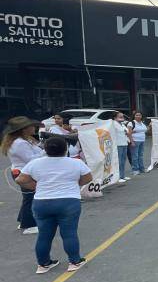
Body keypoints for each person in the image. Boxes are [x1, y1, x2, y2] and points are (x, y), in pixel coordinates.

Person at [15, 136, 92, 273]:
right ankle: (74, 261)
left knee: (44, 234)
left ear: (45, 149)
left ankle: (43, 264)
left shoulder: (36, 163)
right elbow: (88, 177)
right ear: (66, 148)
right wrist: (75, 184)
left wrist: (35, 186)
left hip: (42, 202)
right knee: (69, 233)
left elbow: (21, 179)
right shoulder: (75, 162)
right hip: (68, 201)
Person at [1, 116, 45, 235]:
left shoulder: (23, 140)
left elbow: (35, 153)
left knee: (28, 198)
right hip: (24, 172)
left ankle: (23, 220)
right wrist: (45, 152)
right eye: (31, 126)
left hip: (23, 171)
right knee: (31, 198)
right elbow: (31, 159)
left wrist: (42, 148)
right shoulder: (19, 143)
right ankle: (29, 225)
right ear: (24, 129)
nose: (33, 127)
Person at [111, 112, 131, 182]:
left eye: (122, 116)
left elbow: (127, 132)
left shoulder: (122, 124)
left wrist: (126, 132)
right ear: (115, 117)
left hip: (124, 143)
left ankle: (122, 176)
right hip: (118, 144)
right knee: (118, 161)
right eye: (120, 116)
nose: (122, 118)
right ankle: (118, 177)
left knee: (123, 161)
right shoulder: (112, 124)